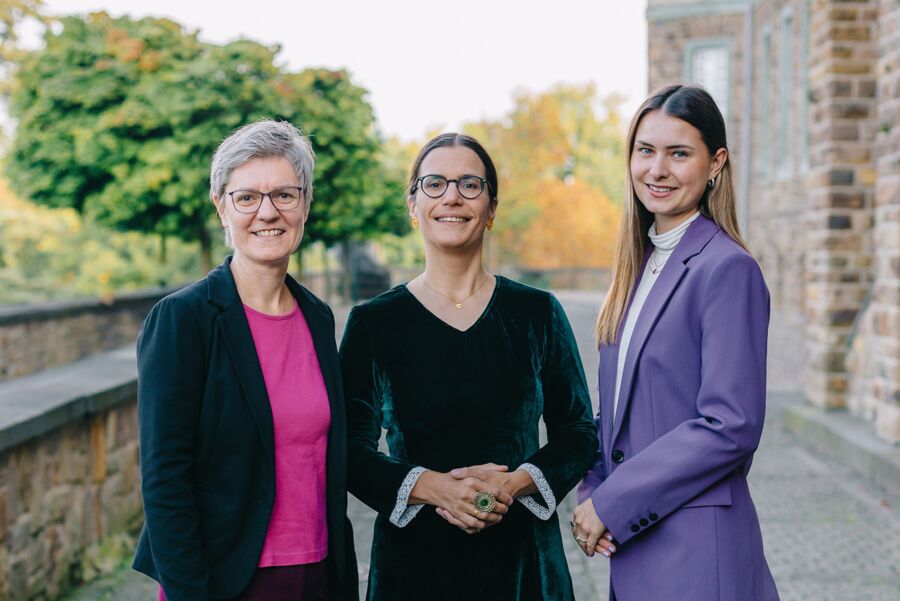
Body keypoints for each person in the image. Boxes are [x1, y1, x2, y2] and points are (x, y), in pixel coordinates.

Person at [339, 132, 600, 600]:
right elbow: (347, 449)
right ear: (413, 205)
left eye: (470, 184)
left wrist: (513, 484)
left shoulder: (537, 313)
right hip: (413, 568)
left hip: (523, 564)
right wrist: (433, 487)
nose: (452, 197)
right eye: (434, 184)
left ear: (491, 208)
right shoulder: (373, 323)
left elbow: (578, 431)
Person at [132, 120, 358, 601]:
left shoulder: (318, 317)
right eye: (247, 197)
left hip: (319, 572)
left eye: (285, 195)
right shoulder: (183, 319)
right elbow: (165, 479)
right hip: (225, 579)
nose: (267, 212)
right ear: (222, 207)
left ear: (305, 204)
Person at [570, 84, 780, 600]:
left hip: (695, 551)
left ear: (715, 164)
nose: (657, 169)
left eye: (679, 153)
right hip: (634, 546)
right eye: (646, 150)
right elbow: (617, 412)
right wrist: (591, 490)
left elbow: (730, 425)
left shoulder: (727, 268)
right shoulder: (638, 269)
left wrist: (612, 501)